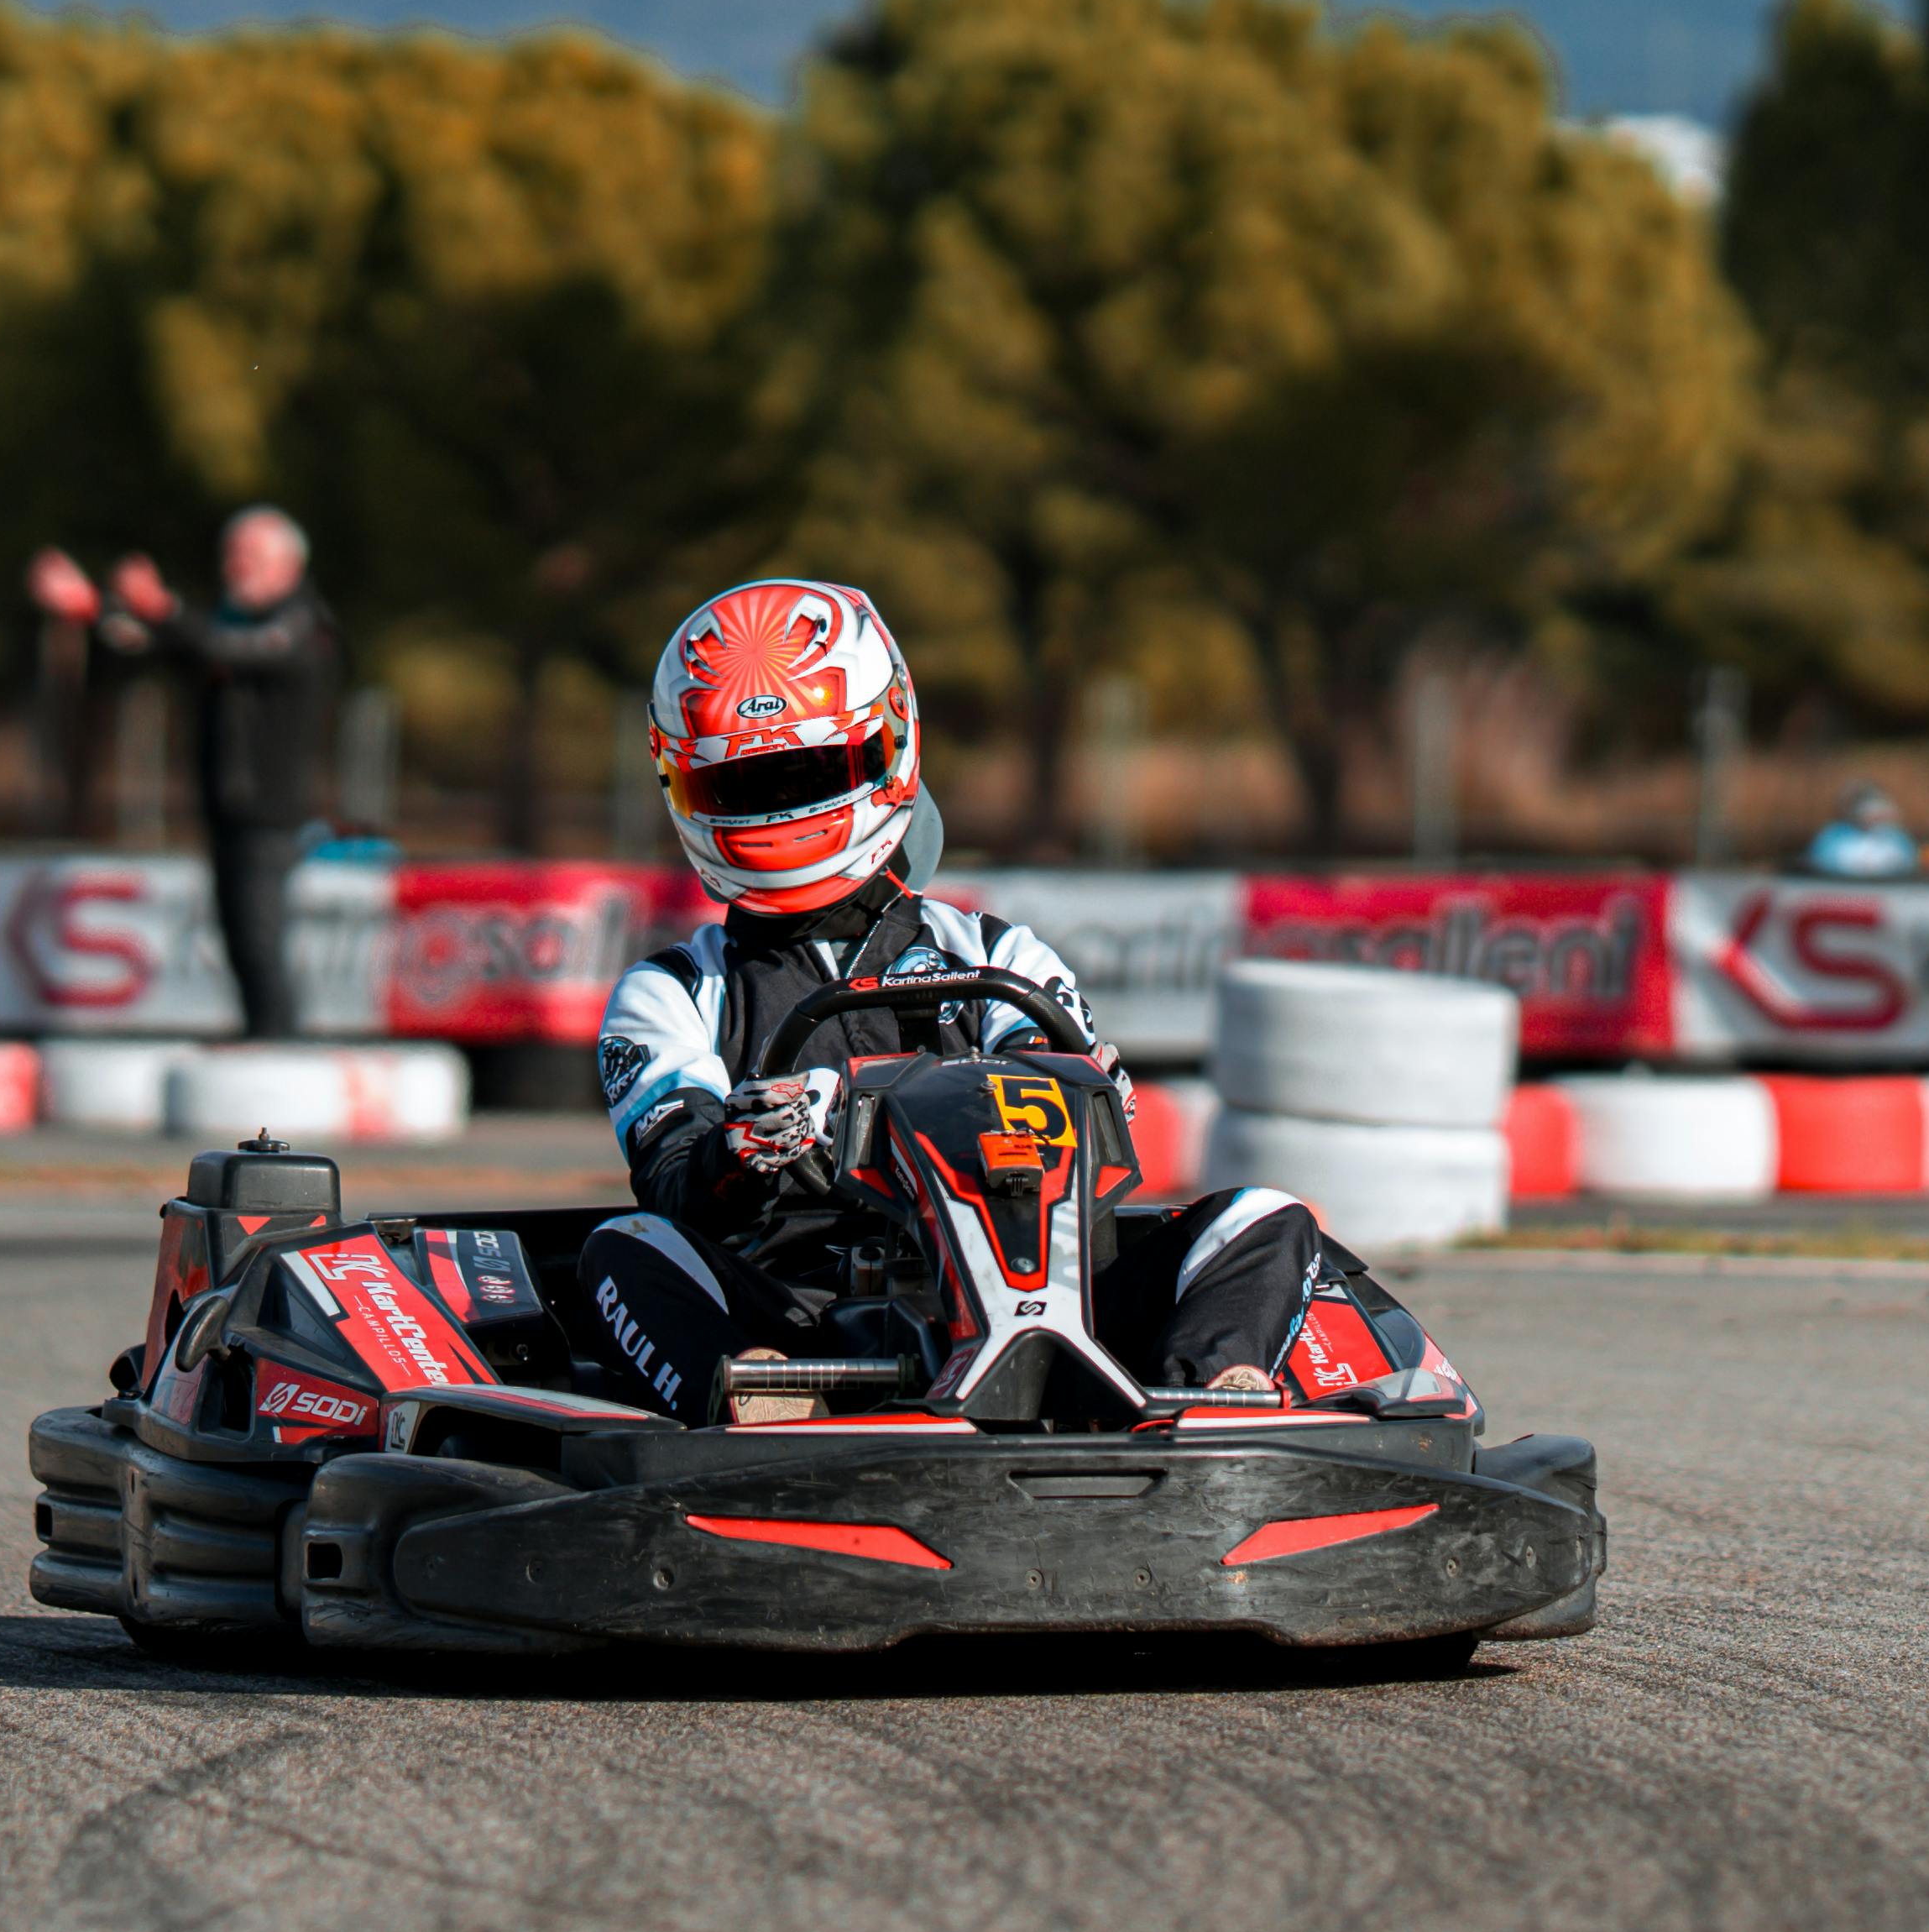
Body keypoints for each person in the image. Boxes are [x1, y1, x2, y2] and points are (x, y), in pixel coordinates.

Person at [567, 578, 1467, 1425]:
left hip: (1046, 1281)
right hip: (814, 1315)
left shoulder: (994, 956)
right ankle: (768, 1416)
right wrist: (743, 1149)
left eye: (812, 773)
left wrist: (1078, 1084)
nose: (780, 810)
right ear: (684, 786)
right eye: (744, 789)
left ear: (890, 744)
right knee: (624, 1248)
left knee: (1267, 1217)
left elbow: (1097, 1131)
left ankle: (1207, 1404)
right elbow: (676, 1179)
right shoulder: (675, 991)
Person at [91, 507, 339, 1039]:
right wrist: (93, 608)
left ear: (287, 564)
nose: (234, 568)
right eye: (231, 556)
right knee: (235, 939)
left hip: (270, 816)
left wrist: (162, 606)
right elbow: (152, 645)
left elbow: (213, 644)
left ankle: (279, 1049)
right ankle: (260, 1038)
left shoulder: (301, 624)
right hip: (224, 808)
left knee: (260, 938)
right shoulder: (229, 623)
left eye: (248, 556)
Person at [1807, 782, 1921, 879]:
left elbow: (1908, 864)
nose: (1874, 819)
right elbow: (1820, 863)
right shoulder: (1834, 834)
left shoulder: (1896, 836)